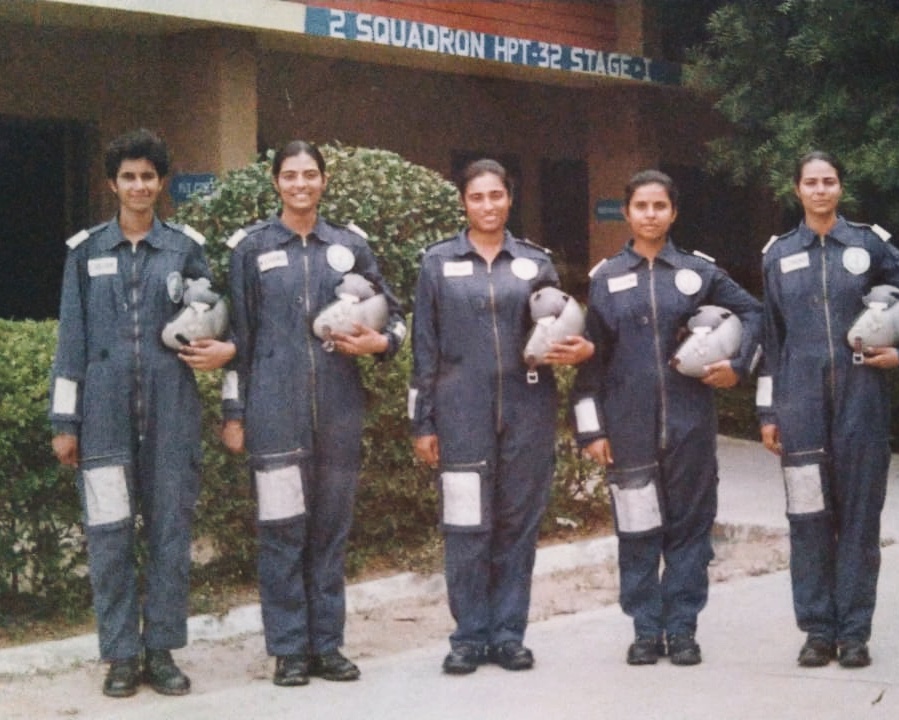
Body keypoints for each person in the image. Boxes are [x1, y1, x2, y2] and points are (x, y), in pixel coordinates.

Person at [48, 128, 235, 698]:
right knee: (108, 535)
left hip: (171, 413)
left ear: (161, 182)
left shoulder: (184, 249)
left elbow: (213, 315)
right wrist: (65, 421)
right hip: (102, 417)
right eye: (128, 176)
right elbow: (70, 341)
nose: (138, 186)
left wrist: (214, 352)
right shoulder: (86, 253)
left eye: (148, 176)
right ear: (112, 184)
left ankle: (162, 651)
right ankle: (122, 655)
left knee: (170, 534)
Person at [220, 140, 405, 687]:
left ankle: (327, 645)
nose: (300, 184)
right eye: (290, 175)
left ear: (325, 181)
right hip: (274, 413)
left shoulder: (349, 247)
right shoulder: (250, 249)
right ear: (275, 182)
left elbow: (392, 315)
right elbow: (239, 338)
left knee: (329, 531)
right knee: (282, 532)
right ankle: (289, 649)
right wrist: (235, 411)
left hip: (339, 412)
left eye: (310, 175)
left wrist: (381, 343)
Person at [409, 158, 594, 675]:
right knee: (466, 526)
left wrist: (574, 348)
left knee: (517, 524)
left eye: (496, 195)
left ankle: (509, 634)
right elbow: (424, 348)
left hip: (527, 409)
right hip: (460, 413)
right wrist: (422, 421)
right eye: (477, 197)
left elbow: (558, 328)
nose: (487, 206)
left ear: (509, 198)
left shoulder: (535, 263)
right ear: (463, 202)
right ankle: (468, 637)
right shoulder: (438, 263)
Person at [571, 169, 763, 667]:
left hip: (690, 425)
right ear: (628, 212)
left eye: (660, 206)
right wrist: (591, 427)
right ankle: (644, 630)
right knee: (636, 532)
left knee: (689, 530)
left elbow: (756, 313)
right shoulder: (607, 278)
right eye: (641, 207)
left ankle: (681, 629)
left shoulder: (698, 273)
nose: (651, 215)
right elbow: (590, 362)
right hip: (629, 429)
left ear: (673, 212)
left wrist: (737, 366)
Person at [757, 151, 899, 669]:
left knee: (859, 519)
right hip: (801, 405)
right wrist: (769, 413)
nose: (820, 190)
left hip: (862, 402)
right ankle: (817, 630)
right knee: (808, 519)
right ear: (797, 190)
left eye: (829, 181)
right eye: (810, 182)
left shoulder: (868, 244)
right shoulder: (778, 254)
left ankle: (854, 631)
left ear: (841, 188)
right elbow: (771, 339)